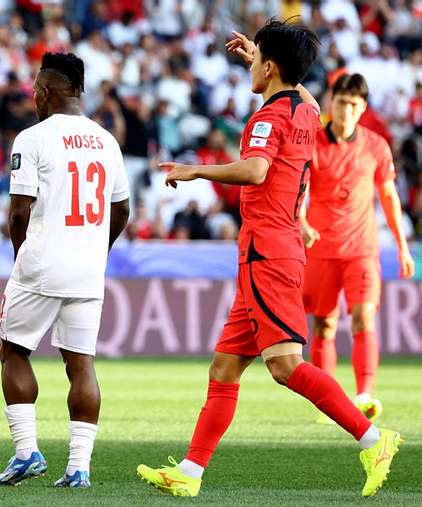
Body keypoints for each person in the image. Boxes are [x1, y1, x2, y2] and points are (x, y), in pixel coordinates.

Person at [136, 19, 401, 499]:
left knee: (284, 365)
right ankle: (190, 473)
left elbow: (256, 169)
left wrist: (197, 168)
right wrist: (261, 55)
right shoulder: (305, 108)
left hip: (268, 251)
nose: (250, 66)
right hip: (272, 249)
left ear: (271, 66)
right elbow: (294, 89)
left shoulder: (267, 118)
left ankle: (375, 441)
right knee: (224, 368)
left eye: (257, 60)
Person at [0, 52, 130, 488]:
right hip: (89, 271)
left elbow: (19, 211)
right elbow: (123, 209)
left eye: (35, 91)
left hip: (42, 263)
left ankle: (27, 451)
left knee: (14, 350)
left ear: (46, 92)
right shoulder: (106, 140)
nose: (33, 98)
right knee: (81, 363)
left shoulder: (32, 138)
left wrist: (21, 258)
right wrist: (98, 248)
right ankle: (79, 469)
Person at [300, 73, 415, 423]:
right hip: (320, 248)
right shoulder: (313, 143)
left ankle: (364, 395)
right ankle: (327, 401)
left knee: (364, 316)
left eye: (353, 104)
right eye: (340, 102)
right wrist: (301, 223)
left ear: (362, 107)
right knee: (324, 326)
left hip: (362, 249)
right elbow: (299, 190)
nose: (346, 110)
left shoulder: (376, 146)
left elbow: (389, 197)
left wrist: (401, 245)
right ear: (330, 104)